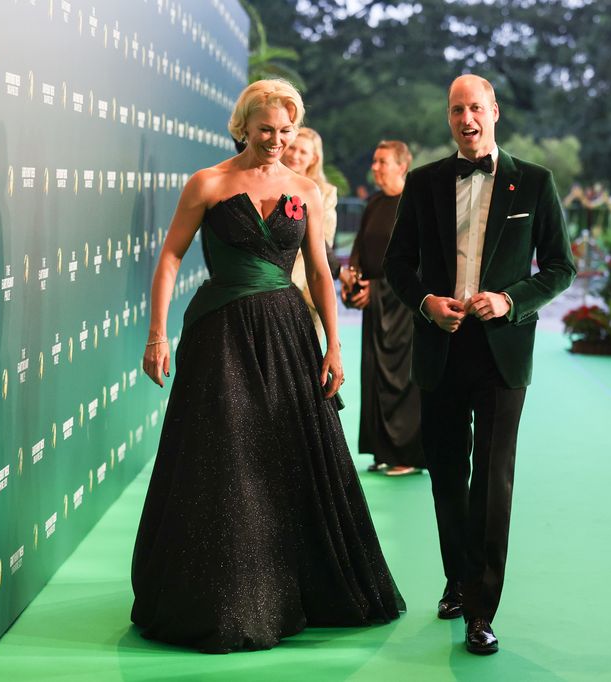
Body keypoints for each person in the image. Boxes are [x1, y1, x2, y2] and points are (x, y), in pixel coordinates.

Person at [131, 79, 403, 653]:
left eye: (285, 131)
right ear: (243, 127)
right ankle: (223, 598)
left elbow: (323, 274)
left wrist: (333, 345)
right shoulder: (207, 183)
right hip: (218, 334)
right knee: (224, 458)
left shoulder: (303, 190)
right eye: (265, 131)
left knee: (285, 455)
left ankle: (290, 592)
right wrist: (157, 333)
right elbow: (171, 256)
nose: (276, 141)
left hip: (286, 333)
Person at [383, 74, 576, 655]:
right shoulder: (423, 183)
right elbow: (398, 264)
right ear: (449, 117)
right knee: (446, 476)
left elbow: (560, 267)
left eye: (475, 108)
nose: (466, 119)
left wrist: (512, 300)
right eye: (455, 110)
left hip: (502, 351)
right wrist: (425, 303)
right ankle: (458, 580)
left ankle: (481, 609)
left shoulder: (536, 183)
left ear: (494, 111)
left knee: (491, 480)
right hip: (440, 345)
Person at [340, 141, 425, 477]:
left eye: (382, 162)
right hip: (376, 305)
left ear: (403, 166)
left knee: (403, 378)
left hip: (403, 306)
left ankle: (407, 455)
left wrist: (375, 289)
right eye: (374, 161)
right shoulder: (374, 202)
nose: (375, 167)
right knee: (375, 375)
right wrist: (355, 281)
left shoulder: (415, 205)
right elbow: (360, 248)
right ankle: (383, 450)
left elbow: (419, 263)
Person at [283, 127, 340, 340]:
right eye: (292, 148)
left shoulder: (325, 193)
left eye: (303, 152)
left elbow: (323, 244)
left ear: (314, 158)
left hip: (306, 290)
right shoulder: (265, 182)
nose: (295, 155)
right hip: (267, 286)